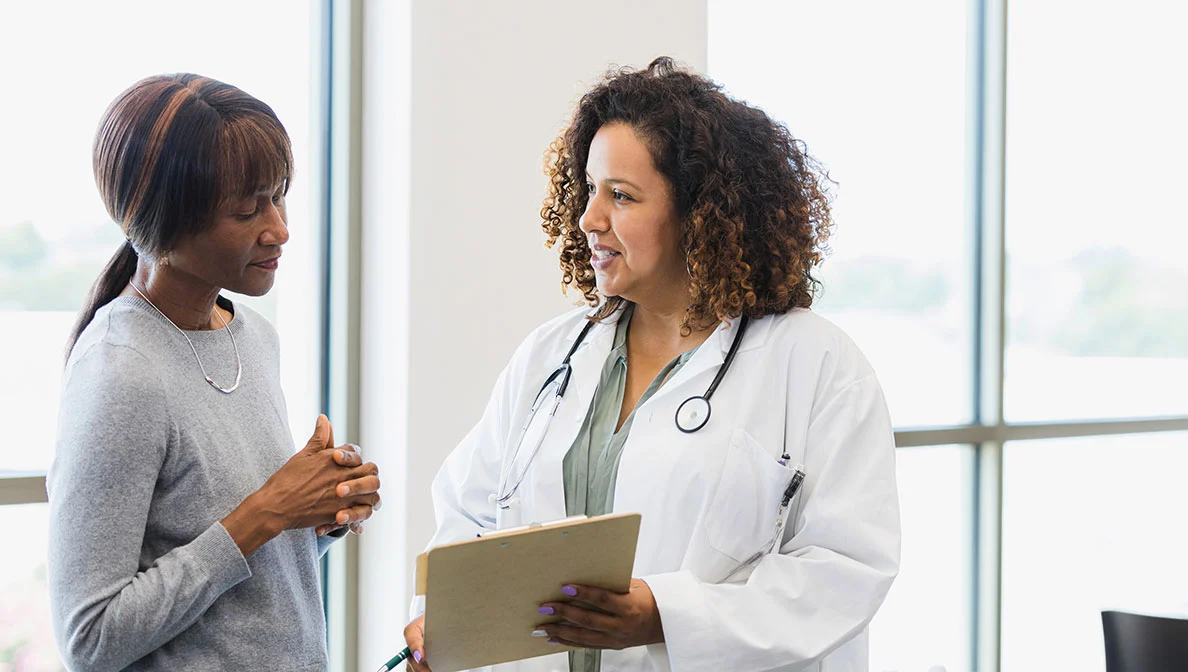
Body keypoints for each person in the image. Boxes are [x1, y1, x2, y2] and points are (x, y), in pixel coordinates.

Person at [402, 57, 900, 672]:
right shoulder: (553, 354)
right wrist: (451, 617)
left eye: (622, 196)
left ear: (700, 214)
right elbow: (470, 510)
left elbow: (845, 570)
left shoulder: (815, 364)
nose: (590, 218)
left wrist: (664, 615)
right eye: (589, 190)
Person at [47, 74, 381, 671]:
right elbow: (90, 641)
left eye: (279, 196)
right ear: (163, 224)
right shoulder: (121, 371)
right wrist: (266, 512)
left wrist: (317, 513)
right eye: (247, 210)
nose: (279, 228)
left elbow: (241, 587)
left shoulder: (253, 338)